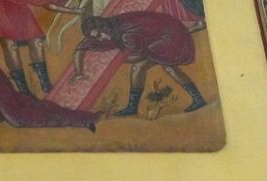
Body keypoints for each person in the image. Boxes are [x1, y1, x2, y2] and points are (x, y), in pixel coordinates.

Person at [72, 12, 208, 116]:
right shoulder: (104, 29)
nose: (100, 39)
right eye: (96, 37)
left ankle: (198, 99)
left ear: (104, 27)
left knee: (155, 66)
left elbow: (138, 56)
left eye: (99, 35)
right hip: (157, 34)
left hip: (171, 34)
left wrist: (114, 61)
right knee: (150, 67)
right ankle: (133, 107)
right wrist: (78, 73)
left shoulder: (126, 34)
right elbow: (79, 49)